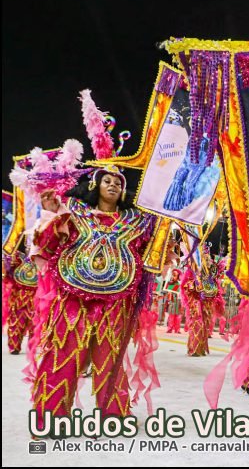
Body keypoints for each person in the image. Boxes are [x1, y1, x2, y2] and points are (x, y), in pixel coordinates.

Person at [31, 167, 158, 430]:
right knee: (64, 353)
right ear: (95, 186)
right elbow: (48, 244)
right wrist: (51, 214)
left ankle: (113, 416)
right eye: (106, 181)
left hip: (117, 298)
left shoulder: (136, 222)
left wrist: (165, 236)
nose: (112, 186)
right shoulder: (74, 212)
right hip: (73, 296)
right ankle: (51, 417)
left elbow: (152, 254)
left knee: (110, 356)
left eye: (118, 183)